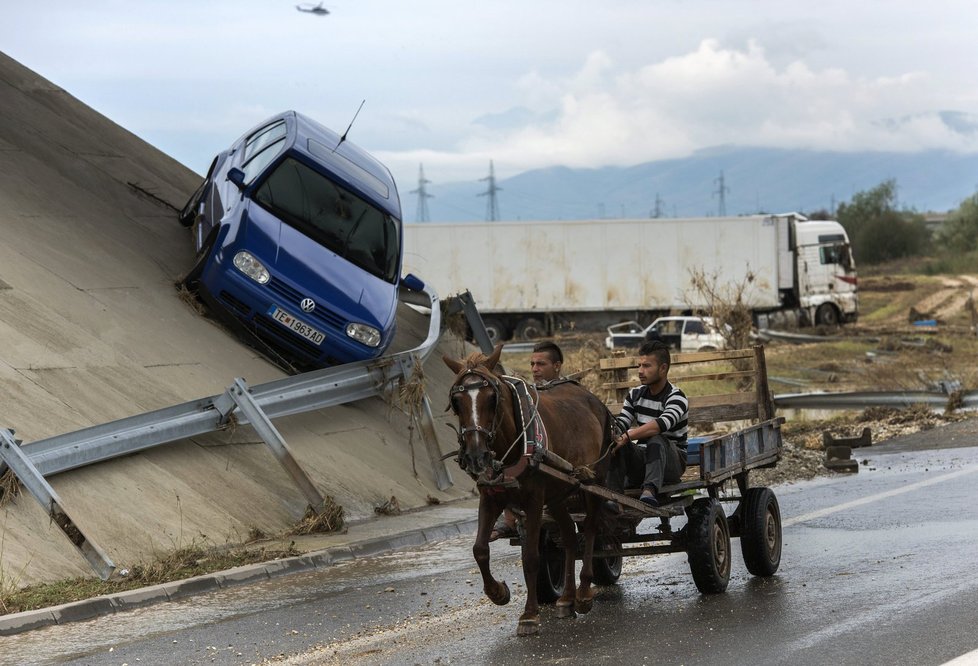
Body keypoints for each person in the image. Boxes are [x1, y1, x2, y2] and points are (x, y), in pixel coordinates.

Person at [490, 341, 564, 541]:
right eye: (532, 364)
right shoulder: (525, 395)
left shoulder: (567, 394)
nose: (535, 369)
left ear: (557, 366)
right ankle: (509, 515)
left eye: (541, 364)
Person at [606, 340, 688, 508]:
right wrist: (612, 434)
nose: (640, 371)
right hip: (644, 457)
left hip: (672, 463)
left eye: (646, 366)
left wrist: (628, 436)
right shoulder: (635, 394)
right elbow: (622, 422)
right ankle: (614, 497)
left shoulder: (676, 397)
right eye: (639, 365)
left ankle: (650, 490)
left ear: (663, 368)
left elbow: (661, 424)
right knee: (617, 444)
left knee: (655, 438)